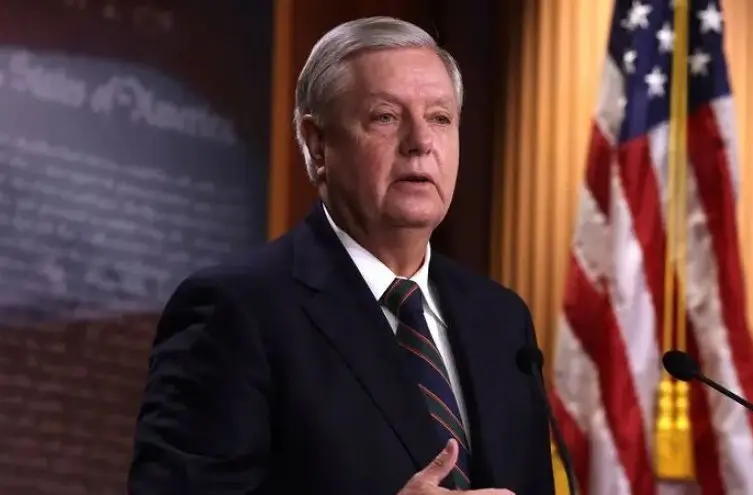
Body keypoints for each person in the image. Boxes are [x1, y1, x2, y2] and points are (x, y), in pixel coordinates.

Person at [127, 16, 555, 495]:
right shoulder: (236, 311)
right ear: (317, 144)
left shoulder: (501, 322)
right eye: (385, 117)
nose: (420, 142)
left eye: (440, 118)